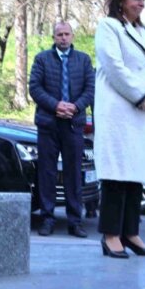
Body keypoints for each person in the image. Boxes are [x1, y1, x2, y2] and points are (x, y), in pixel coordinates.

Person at [93, 0, 145, 259]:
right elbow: (114, 67)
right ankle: (111, 234)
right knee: (117, 173)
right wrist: (142, 95)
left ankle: (130, 232)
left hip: (143, 112)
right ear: (121, 0)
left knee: (137, 172)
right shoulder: (108, 27)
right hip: (119, 112)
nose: (141, 3)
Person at [29, 21, 96, 238]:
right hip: (48, 124)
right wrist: (56, 105)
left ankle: (75, 222)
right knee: (47, 173)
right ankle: (47, 219)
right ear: (54, 37)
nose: (63, 38)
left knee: (74, 174)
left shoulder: (83, 60)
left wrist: (75, 107)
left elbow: (90, 89)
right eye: (59, 34)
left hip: (74, 125)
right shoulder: (42, 59)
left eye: (67, 34)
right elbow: (35, 88)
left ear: (72, 36)